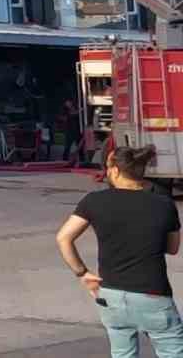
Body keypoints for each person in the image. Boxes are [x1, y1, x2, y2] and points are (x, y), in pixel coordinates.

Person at [56, 145, 183, 357]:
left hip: (111, 296)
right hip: (153, 295)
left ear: (115, 171)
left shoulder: (94, 201)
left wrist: (82, 273)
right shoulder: (164, 205)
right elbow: (172, 248)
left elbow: (63, 238)